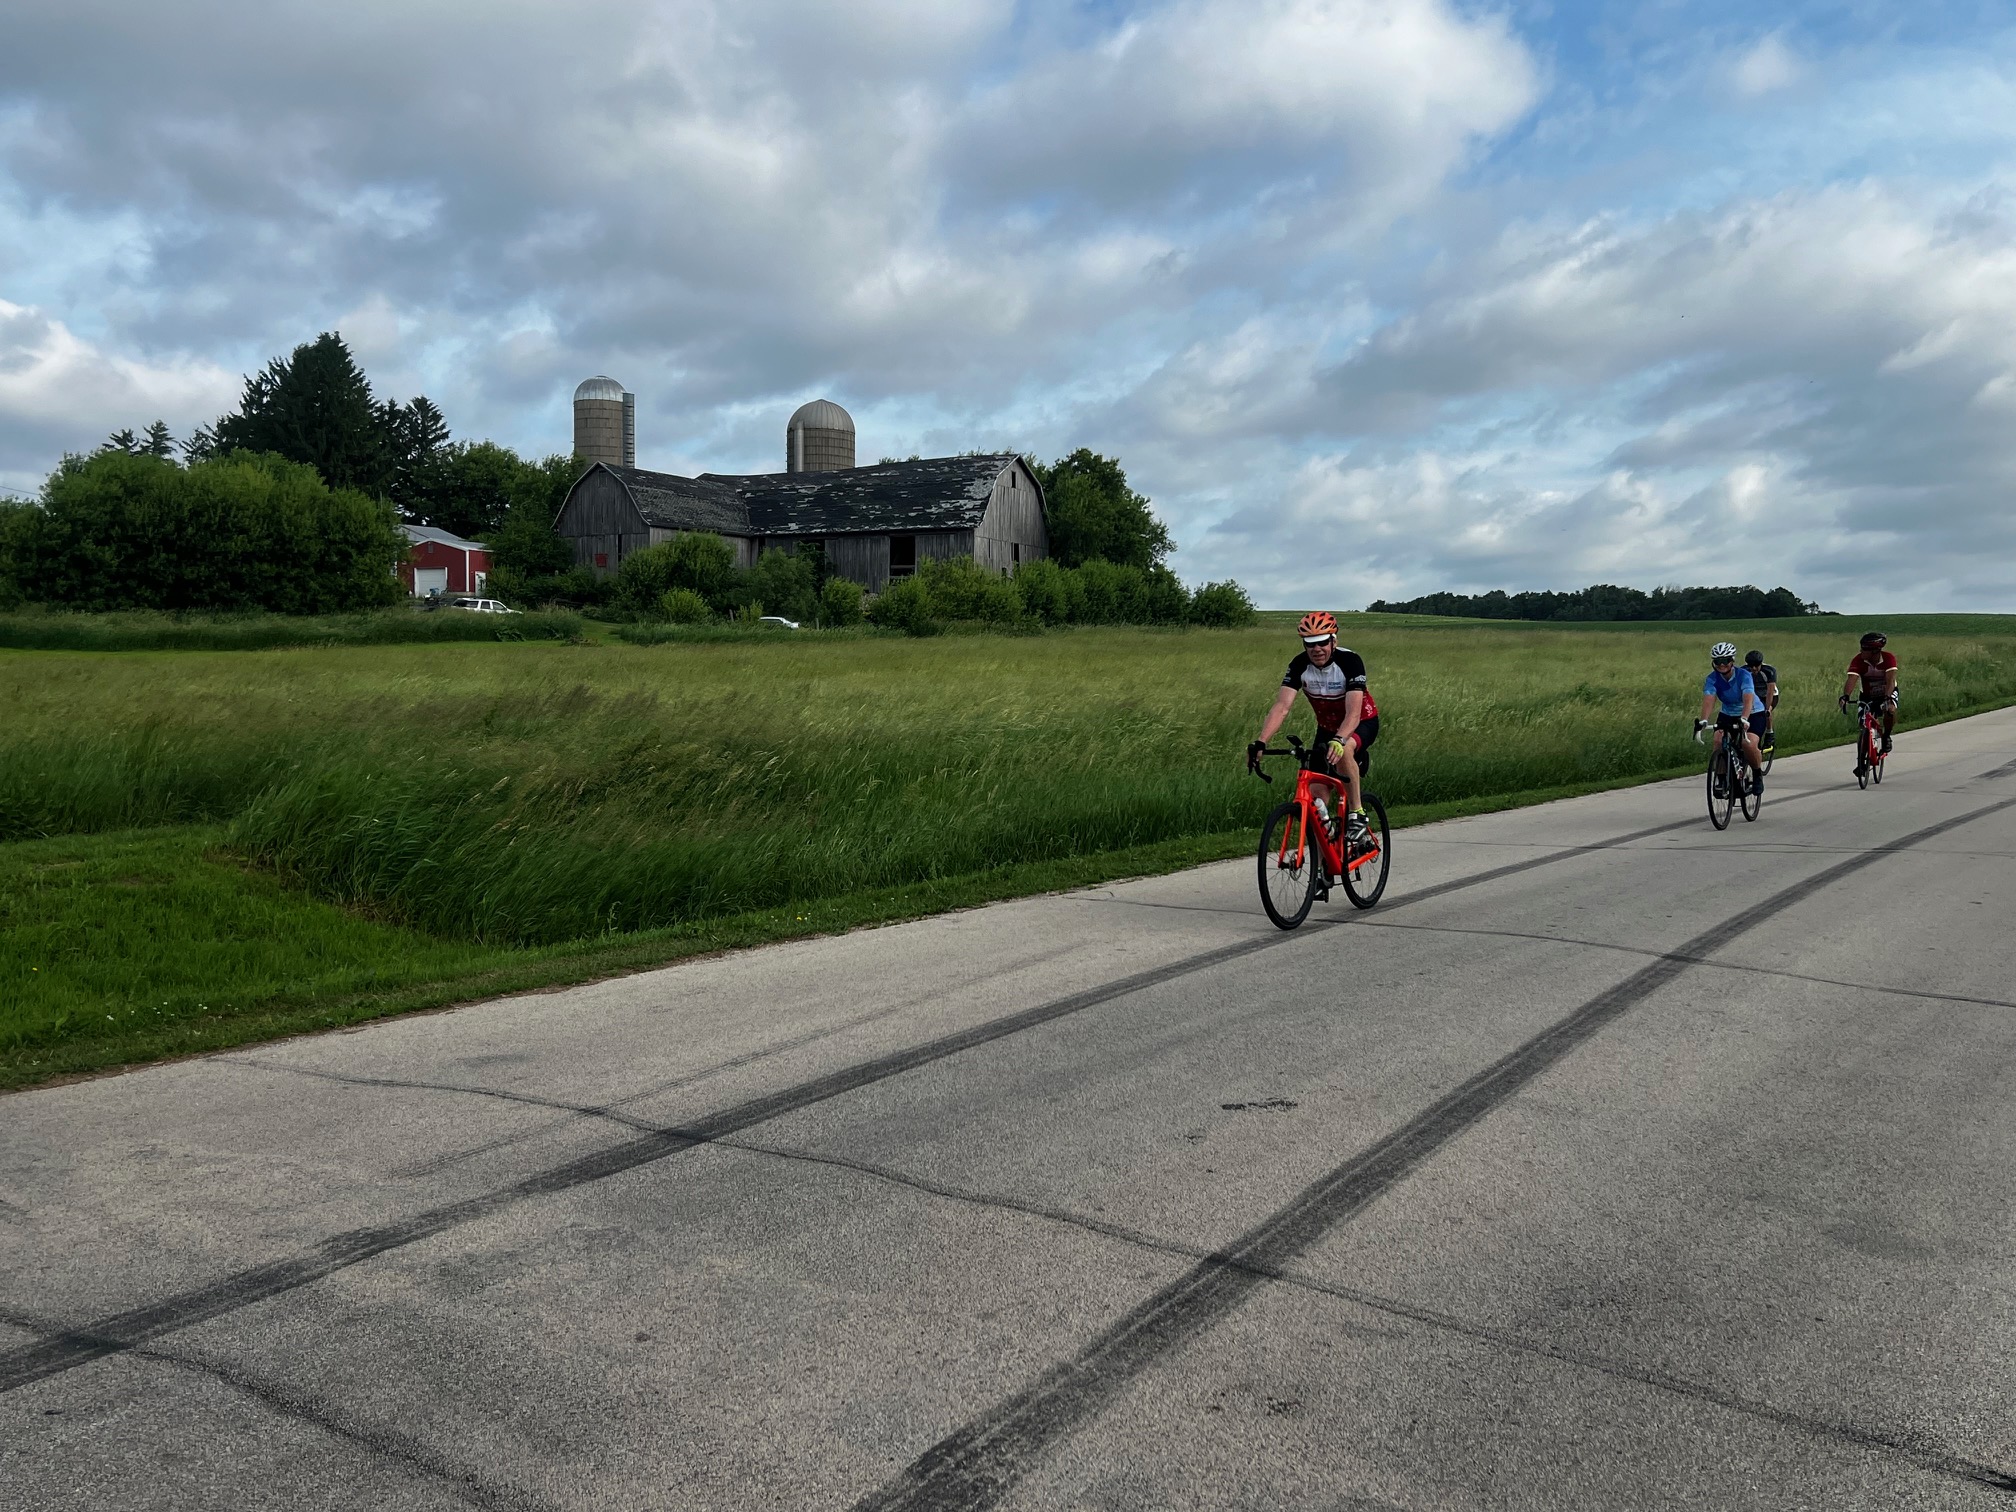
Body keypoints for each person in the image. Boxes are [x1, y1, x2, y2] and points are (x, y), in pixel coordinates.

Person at [1250, 611, 1380, 858]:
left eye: (1322, 642)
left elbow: (1353, 713)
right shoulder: (1299, 665)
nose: (1317, 648)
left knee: (1344, 752)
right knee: (1317, 801)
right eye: (1310, 643)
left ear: (1334, 641)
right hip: (1327, 729)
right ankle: (1323, 872)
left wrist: (1341, 740)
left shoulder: (1350, 662)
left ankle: (1358, 813)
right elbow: (1282, 706)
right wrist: (1261, 741)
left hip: (1361, 722)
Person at [1695, 641, 1764, 795]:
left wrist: (1745, 718)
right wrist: (1703, 720)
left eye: (1726, 660)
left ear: (1732, 661)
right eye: (1718, 661)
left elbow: (1748, 697)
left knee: (1748, 744)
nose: (1722, 665)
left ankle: (1757, 775)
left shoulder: (1744, 675)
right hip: (1728, 713)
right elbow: (1709, 699)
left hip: (1753, 713)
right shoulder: (1712, 679)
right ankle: (1720, 778)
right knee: (1718, 741)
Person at [1839, 631, 1899, 765]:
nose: (1861, 651)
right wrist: (1846, 696)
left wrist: (1888, 698)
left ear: (1875, 650)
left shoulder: (1888, 658)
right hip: (1867, 695)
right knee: (1863, 724)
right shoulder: (1858, 660)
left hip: (1887, 692)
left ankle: (1886, 736)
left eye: (1864, 649)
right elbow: (1852, 679)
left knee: (1890, 710)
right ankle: (1862, 760)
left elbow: (1890, 680)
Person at [1743, 649, 1779, 752]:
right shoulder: (1744, 671)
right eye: (1751, 666)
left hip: (1768, 694)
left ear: (1761, 663)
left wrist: (1767, 708)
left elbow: (1770, 692)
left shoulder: (1769, 671)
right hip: (1754, 695)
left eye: (1756, 665)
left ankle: (1769, 734)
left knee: (1766, 711)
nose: (1753, 668)